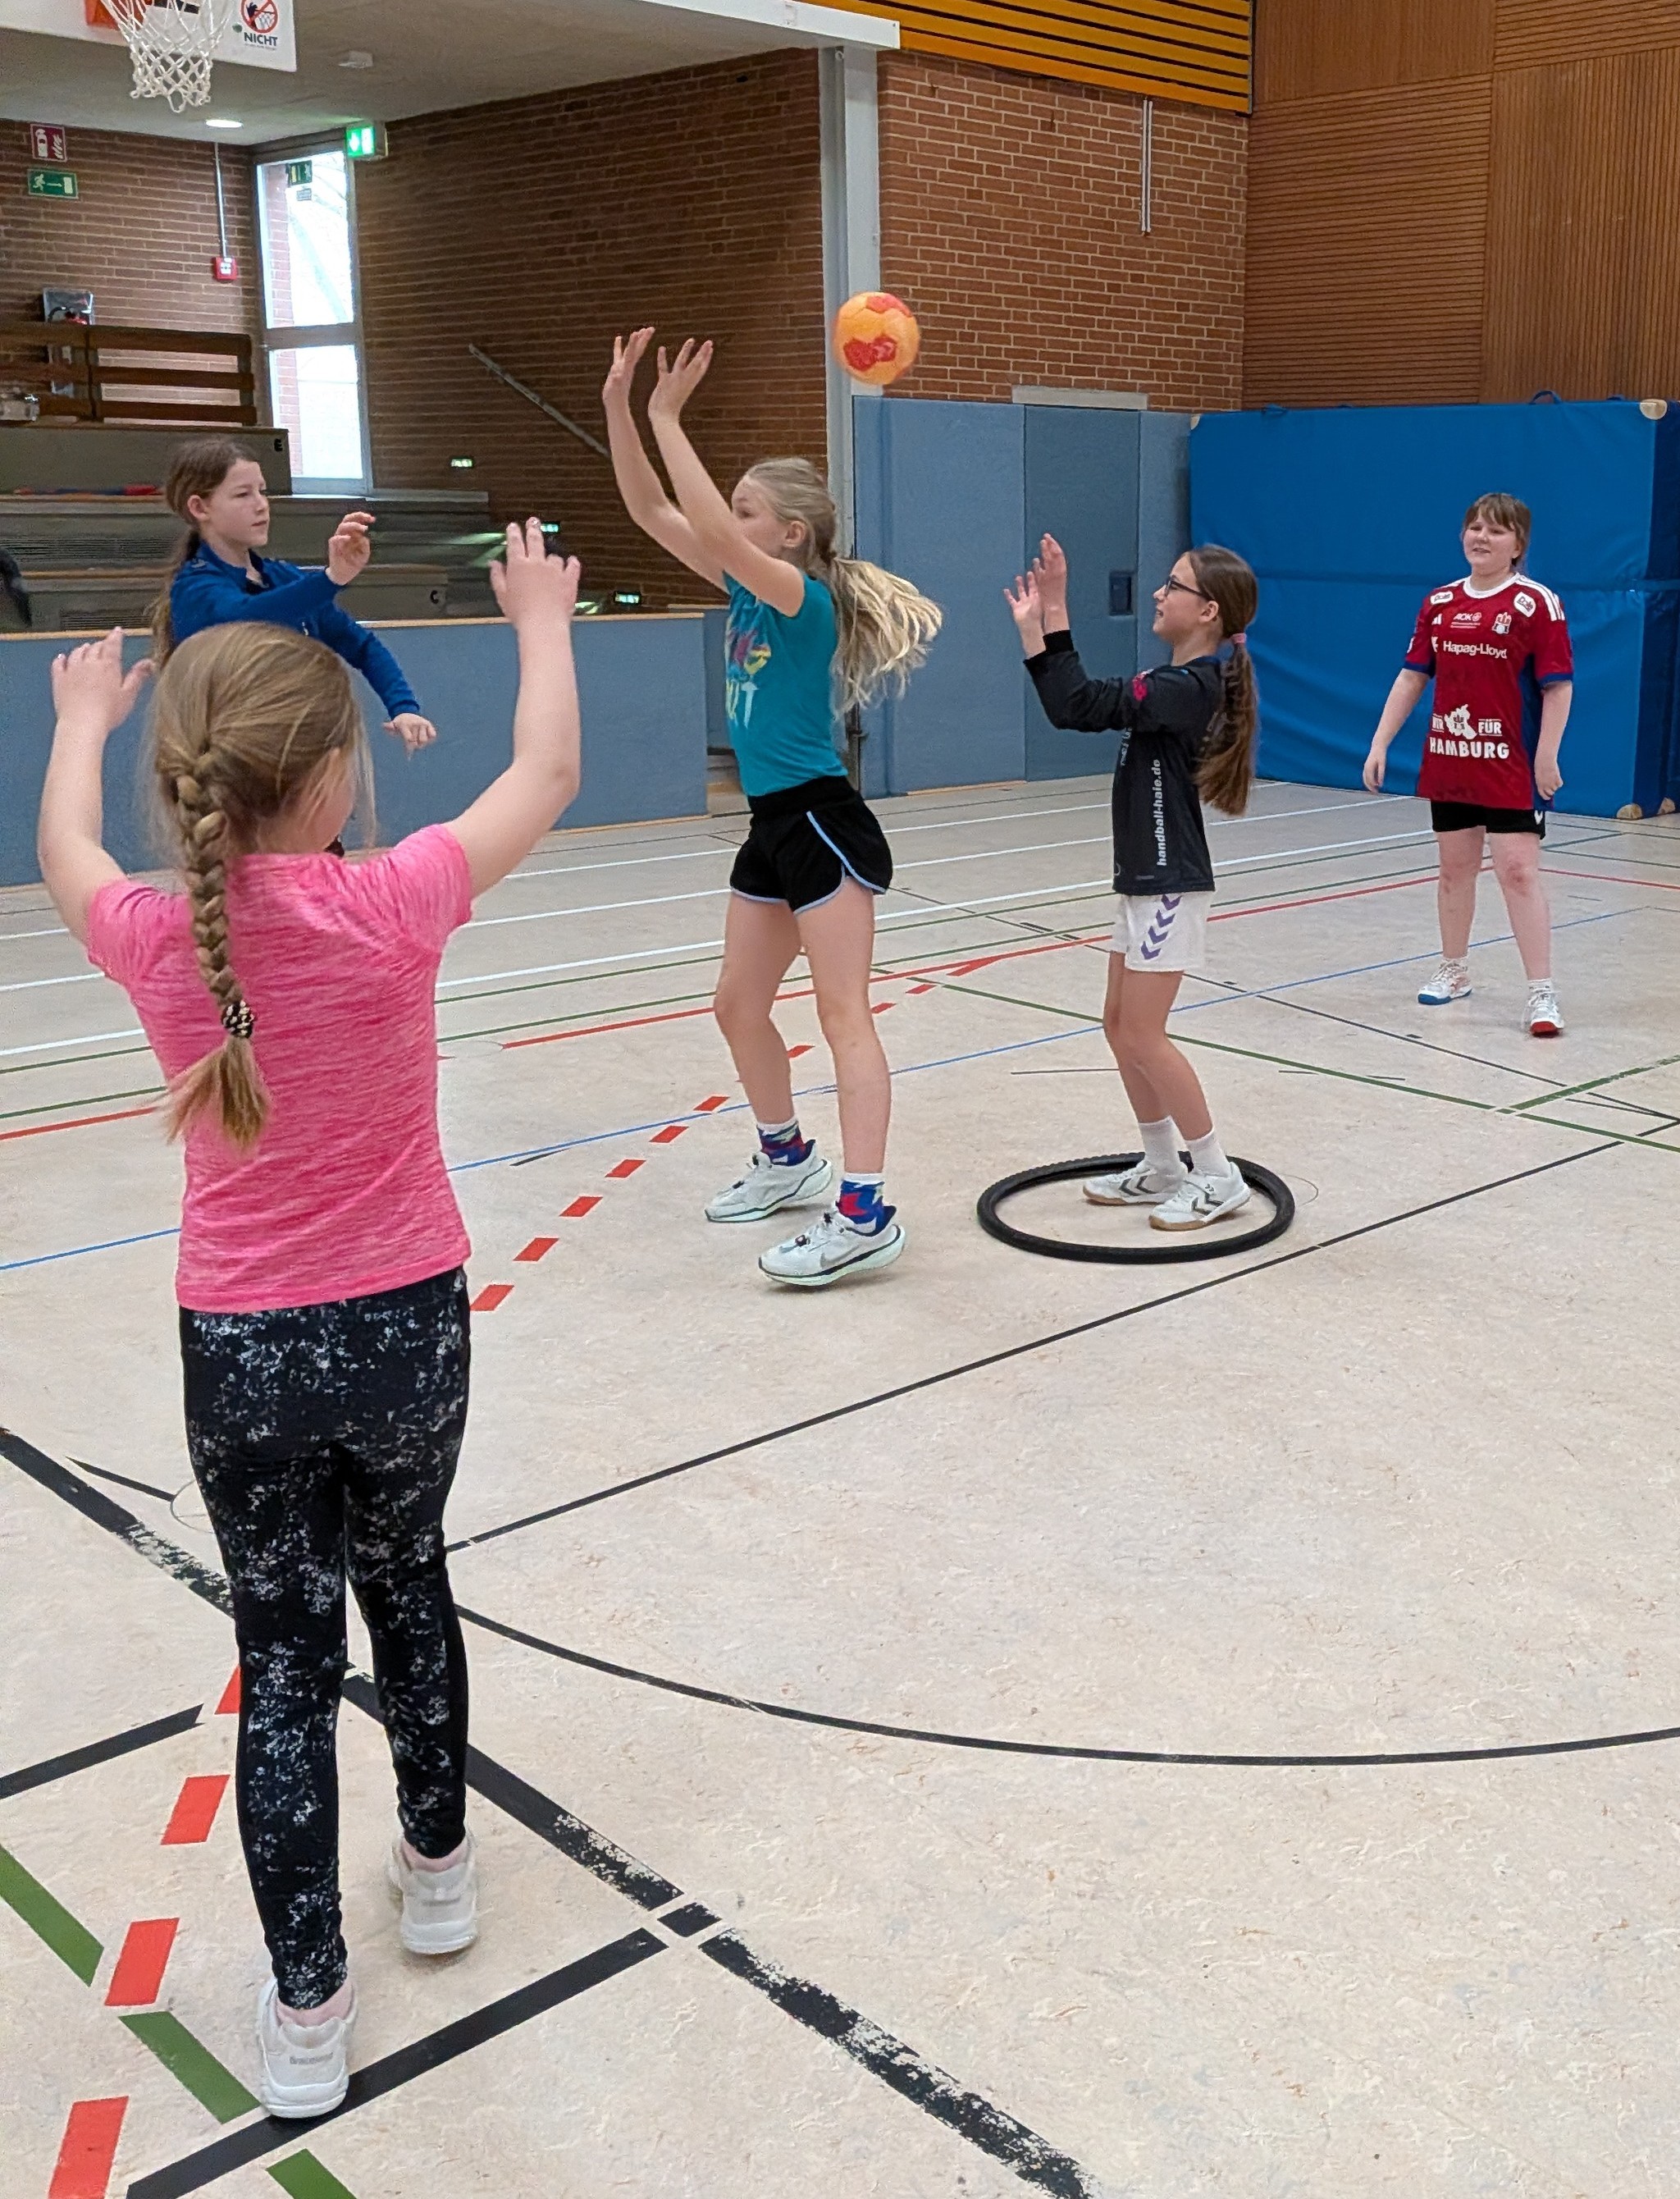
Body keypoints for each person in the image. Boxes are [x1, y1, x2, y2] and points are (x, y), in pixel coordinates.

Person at [35, 521, 584, 2114]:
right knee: (409, 1578)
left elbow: (66, 844)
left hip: (245, 1352)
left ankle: (304, 2006)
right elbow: (546, 772)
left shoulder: (154, 936)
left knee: (283, 1666)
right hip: (408, 1327)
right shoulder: (394, 903)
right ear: (334, 780)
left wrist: (80, 724)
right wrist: (541, 620)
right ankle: (438, 1867)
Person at [603, 328, 940, 1287]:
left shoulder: (801, 598)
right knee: (737, 1005)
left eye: (746, 508)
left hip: (822, 821)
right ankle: (788, 1157)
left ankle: (864, 1213)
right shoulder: (743, 586)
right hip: (769, 826)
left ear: (789, 533)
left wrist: (670, 416)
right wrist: (622, 408)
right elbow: (651, 508)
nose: (729, 518)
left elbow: (708, 529)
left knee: (843, 1015)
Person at [1005, 533, 1261, 1231]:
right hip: (1144, 879)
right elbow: (1074, 706)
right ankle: (1162, 1165)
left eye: (1173, 585)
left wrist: (1052, 613)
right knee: (1119, 1027)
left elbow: (1078, 703)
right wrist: (1042, 621)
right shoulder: (1174, 683)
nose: (1158, 592)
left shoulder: (1189, 688)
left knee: (1144, 1033)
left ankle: (1217, 1174)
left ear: (1207, 610)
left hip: (1169, 881)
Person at [1363, 491, 1574, 1035]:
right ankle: (1454, 969)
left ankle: (1542, 994)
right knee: (1454, 871)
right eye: (1475, 527)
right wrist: (1380, 742)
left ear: (1518, 545)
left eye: (1496, 530)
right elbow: (1412, 676)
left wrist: (1546, 755)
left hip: (1511, 765)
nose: (1482, 537)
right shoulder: (1439, 603)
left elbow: (1557, 687)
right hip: (1453, 759)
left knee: (1518, 873)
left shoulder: (1536, 604)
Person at [157, 435, 437, 761]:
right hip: (234, 762)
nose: (261, 504)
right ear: (199, 507)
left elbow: (361, 645)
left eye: (262, 491)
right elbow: (249, 619)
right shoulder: (194, 588)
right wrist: (331, 579)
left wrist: (403, 707)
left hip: (301, 754)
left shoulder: (283, 577)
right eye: (243, 494)